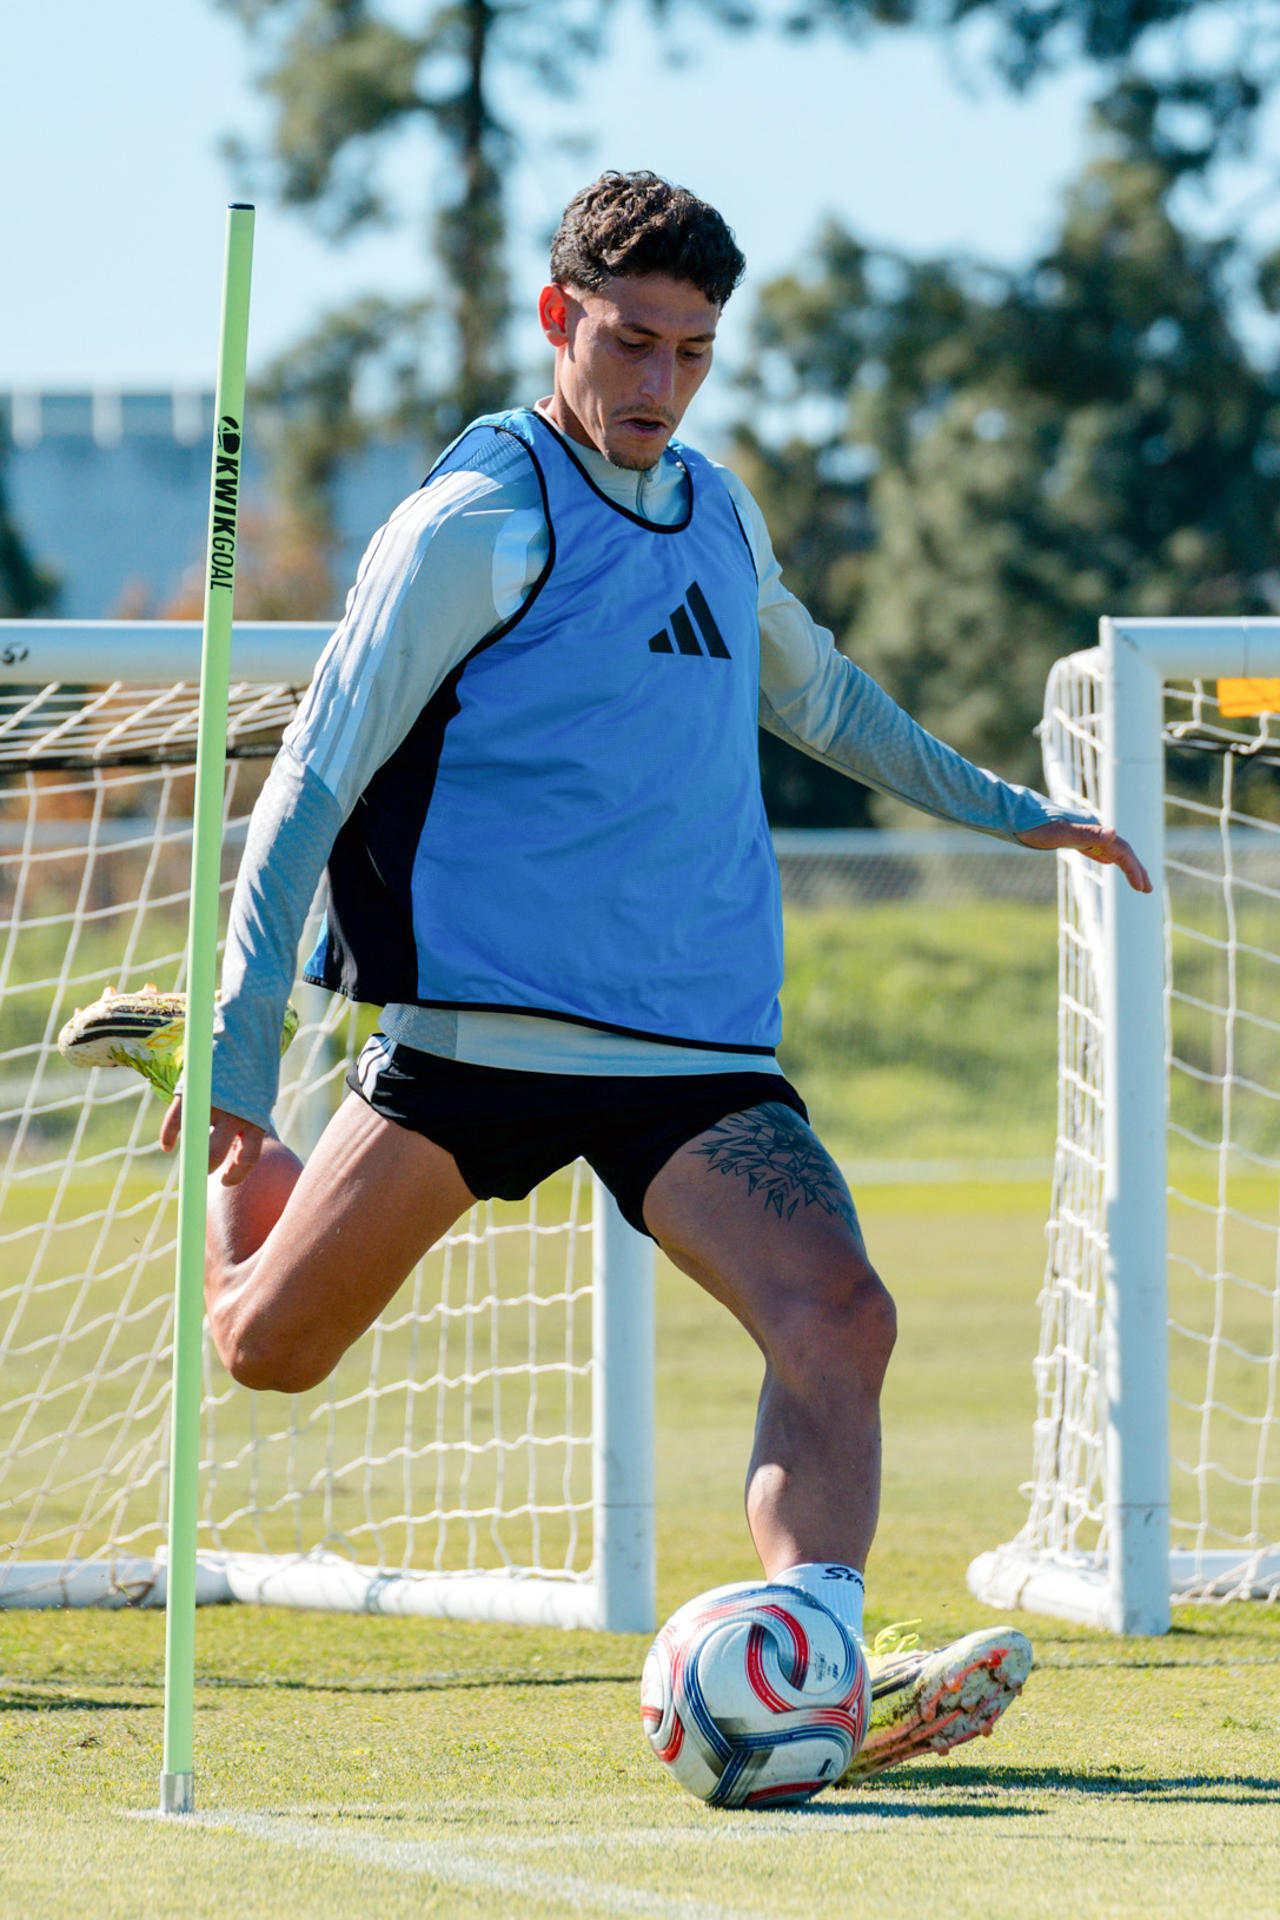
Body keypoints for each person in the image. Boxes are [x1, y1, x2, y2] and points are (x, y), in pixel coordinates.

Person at [68, 170, 1149, 1780]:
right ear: (559, 318)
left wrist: (1014, 812)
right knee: (264, 1351)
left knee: (840, 1318)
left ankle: (819, 1669)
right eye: (632, 343)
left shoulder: (719, 510)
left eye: (694, 353)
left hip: (691, 1043)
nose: (659, 385)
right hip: (473, 1037)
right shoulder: (475, 520)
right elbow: (308, 782)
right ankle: (236, 1140)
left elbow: (827, 700)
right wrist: (237, 1058)